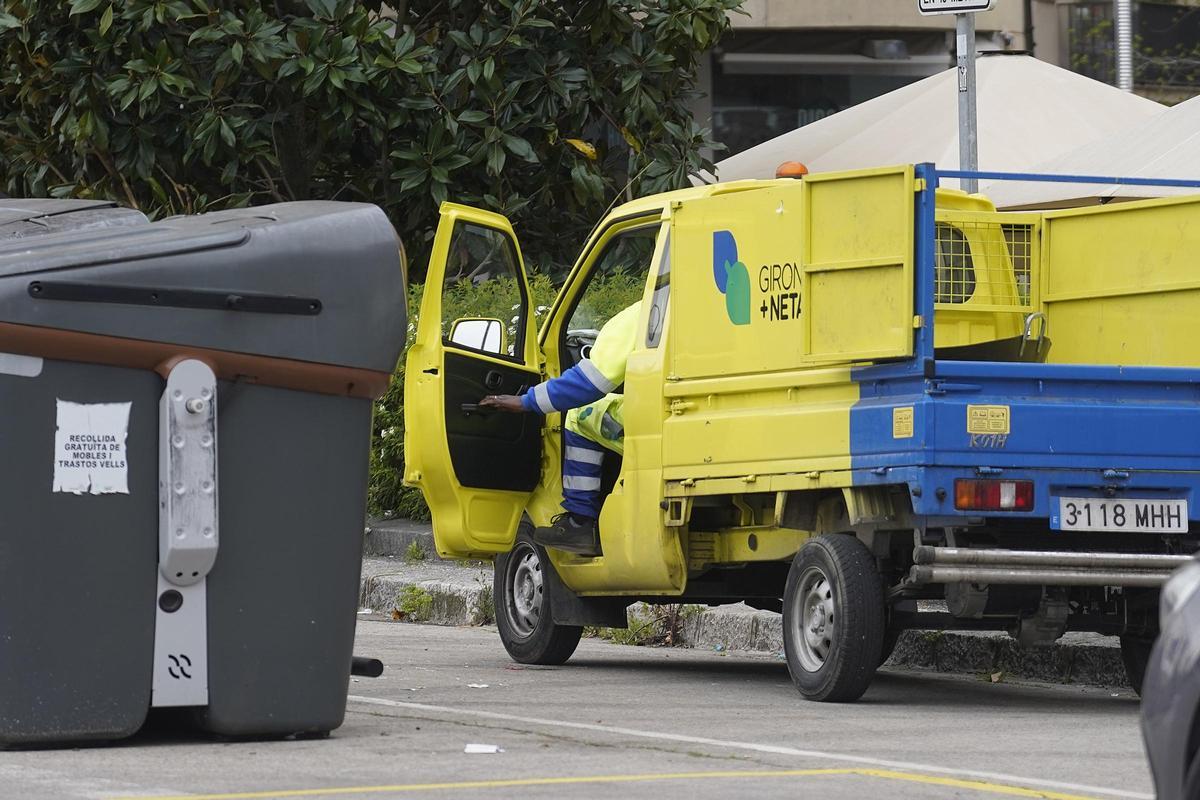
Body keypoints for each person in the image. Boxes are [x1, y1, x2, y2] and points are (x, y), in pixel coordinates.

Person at [479, 301, 641, 556]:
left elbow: (589, 383)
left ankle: (580, 521)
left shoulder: (644, 312)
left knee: (580, 415)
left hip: (658, 421)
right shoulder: (714, 303)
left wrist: (525, 401)